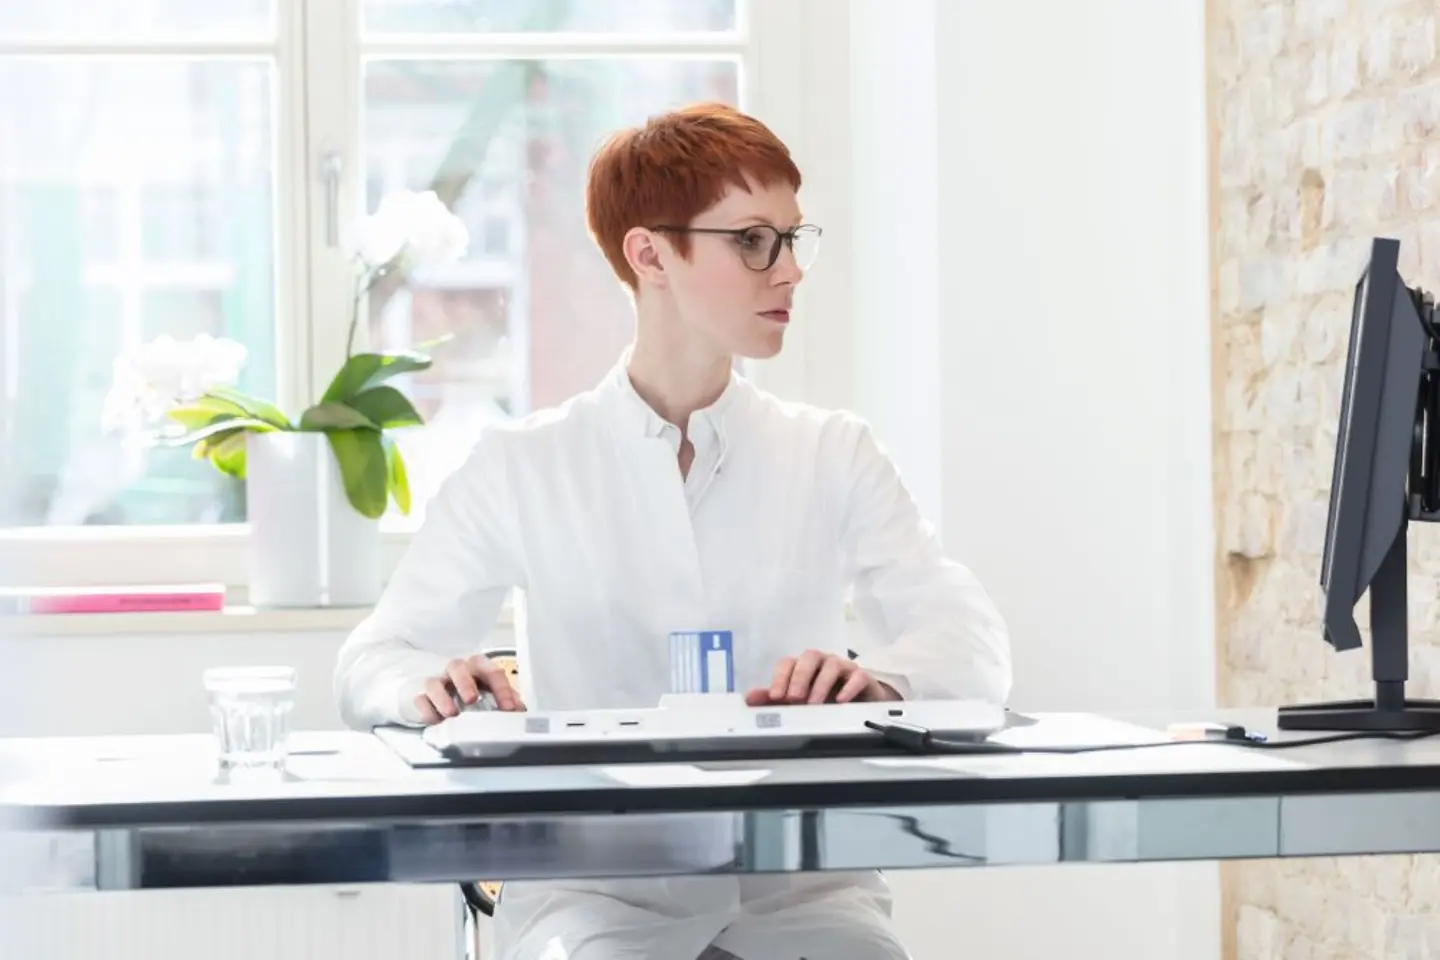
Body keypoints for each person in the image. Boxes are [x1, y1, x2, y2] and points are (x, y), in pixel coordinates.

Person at [335, 102, 1012, 960]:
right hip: (597, 898)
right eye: (753, 241)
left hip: (803, 895)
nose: (789, 271)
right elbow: (372, 660)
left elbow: (972, 645)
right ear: (650, 254)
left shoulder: (831, 453)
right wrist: (427, 684)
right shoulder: (523, 465)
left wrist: (881, 683)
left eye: (792, 240)